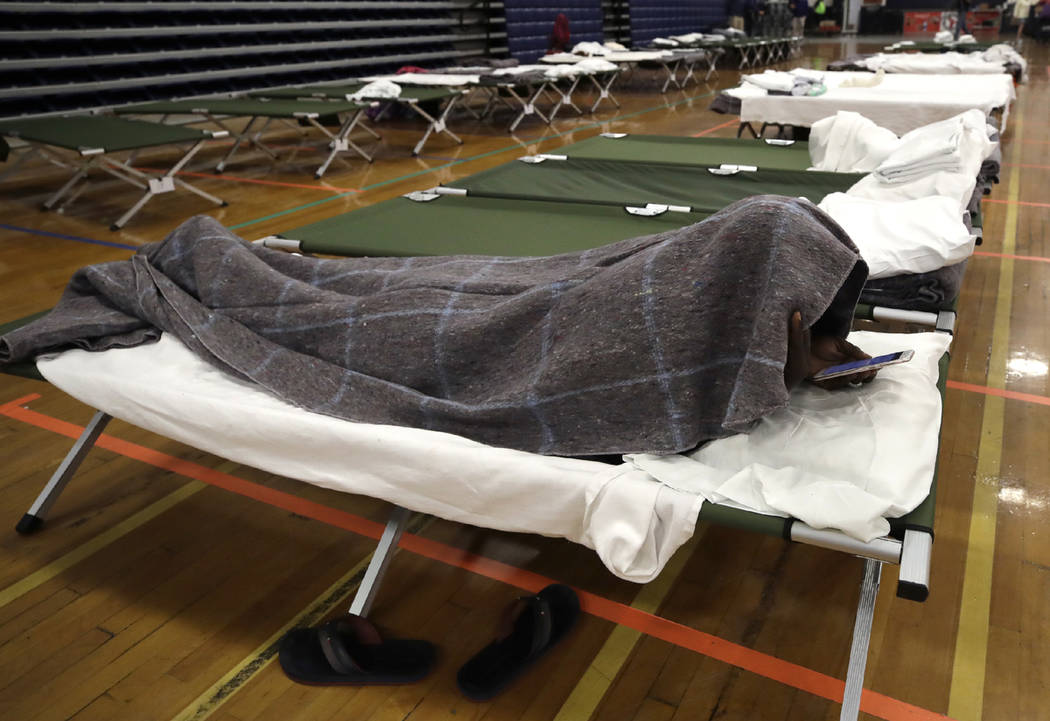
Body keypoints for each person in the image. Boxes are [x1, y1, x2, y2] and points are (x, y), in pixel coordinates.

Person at [0, 196, 878, 458]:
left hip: (542, 318)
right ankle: (201, 261)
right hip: (530, 304)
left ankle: (205, 259)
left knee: (377, 306)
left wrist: (787, 356)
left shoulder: (760, 297)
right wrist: (792, 354)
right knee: (355, 298)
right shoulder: (758, 249)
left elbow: (691, 357)